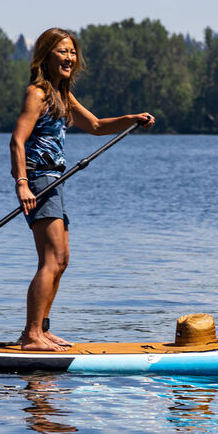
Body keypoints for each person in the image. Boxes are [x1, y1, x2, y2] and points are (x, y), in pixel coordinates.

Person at [9, 27, 154, 351]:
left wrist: (132, 118)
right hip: (39, 180)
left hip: (56, 181)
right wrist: (22, 184)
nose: (69, 58)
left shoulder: (62, 95)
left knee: (61, 259)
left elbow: (98, 126)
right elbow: (17, 140)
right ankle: (31, 335)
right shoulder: (38, 93)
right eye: (62, 52)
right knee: (51, 258)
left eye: (72, 53)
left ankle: (42, 329)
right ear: (45, 56)